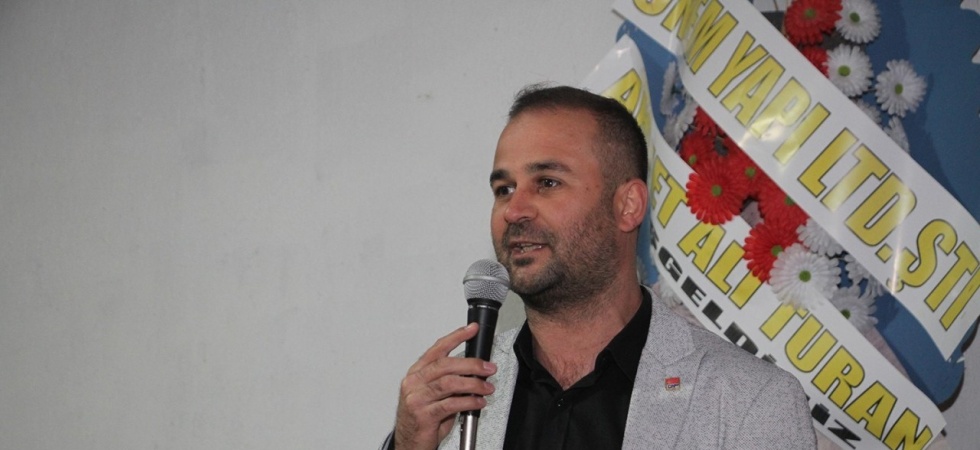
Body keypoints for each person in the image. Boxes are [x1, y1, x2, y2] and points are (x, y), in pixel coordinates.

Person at [382, 85, 816, 449]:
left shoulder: (750, 402)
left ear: (627, 205)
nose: (514, 210)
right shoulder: (449, 398)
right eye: (504, 189)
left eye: (547, 182)